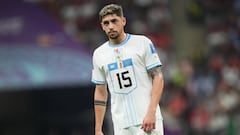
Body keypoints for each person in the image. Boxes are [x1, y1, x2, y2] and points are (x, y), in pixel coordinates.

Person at [91, 3, 164, 135]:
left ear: (123, 21)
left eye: (114, 21)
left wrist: (151, 112)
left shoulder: (142, 43)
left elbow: (158, 77)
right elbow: (101, 91)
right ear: (102, 26)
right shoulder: (99, 54)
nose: (111, 26)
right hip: (121, 125)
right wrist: (98, 129)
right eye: (106, 23)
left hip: (147, 120)